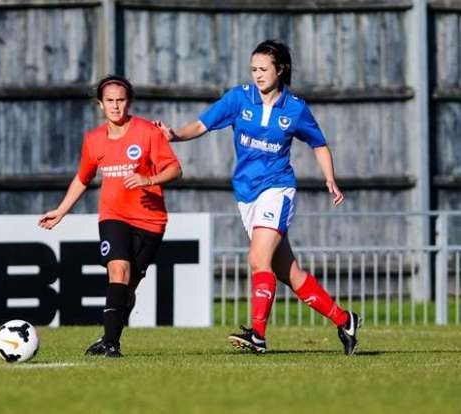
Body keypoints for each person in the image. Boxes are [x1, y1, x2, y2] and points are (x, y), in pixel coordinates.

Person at [155, 40, 361, 355]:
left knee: (257, 259)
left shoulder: (295, 108)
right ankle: (345, 320)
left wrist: (329, 178)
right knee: (288, 272)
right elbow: (202, 123)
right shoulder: (239, 98)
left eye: (264, 69)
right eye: (254, 69)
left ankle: (258, 336)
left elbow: (318, 144)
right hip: (247, 194)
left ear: (281, 70)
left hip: (277, 190)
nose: (257, 75)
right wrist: (175, 135)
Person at [38, 75, 182, 357]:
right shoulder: (93, 140)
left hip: (151, 221)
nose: (115, 106)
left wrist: (147, 179)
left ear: (129, 102)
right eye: (109, 101)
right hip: (113, 217)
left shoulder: (147, 132)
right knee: (118, 272)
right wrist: (61, 211)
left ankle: (110, 336)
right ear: (100, 105)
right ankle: (111, 343)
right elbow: (82, 179)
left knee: (128, 287)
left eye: (120, 100)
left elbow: (175, 169)